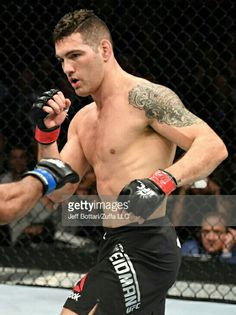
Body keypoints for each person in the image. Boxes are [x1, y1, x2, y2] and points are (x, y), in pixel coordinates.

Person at [1, 9, 228, 315]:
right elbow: (57, 191)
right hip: (113, 242)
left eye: (76, 55)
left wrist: (161, 182)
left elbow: (212, 146)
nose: (67, 68)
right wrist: (47, 136)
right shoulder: (83, 120)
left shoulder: (146, 98)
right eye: (61, 60)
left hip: (147, 244)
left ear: (104, 50)